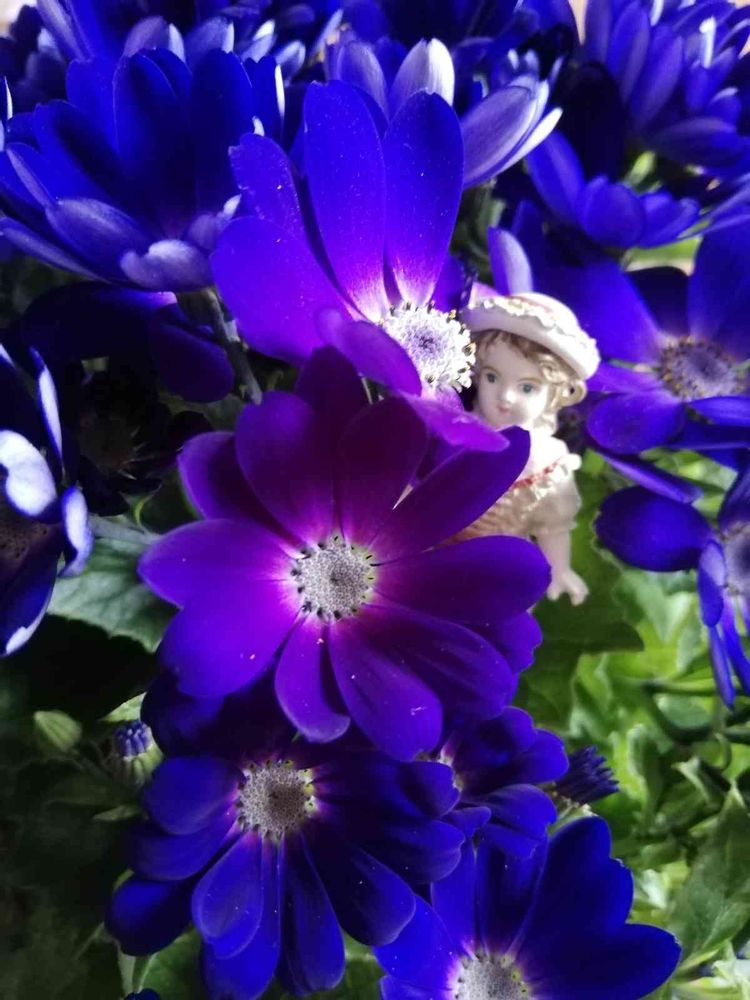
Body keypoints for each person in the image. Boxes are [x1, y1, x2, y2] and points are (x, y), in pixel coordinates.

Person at [458, 291, 600, 605]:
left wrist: (560, 570)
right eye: (492, 377)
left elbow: (552, 527)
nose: (505, 397)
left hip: (495, 566)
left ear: (555, 396)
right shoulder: (454, 428)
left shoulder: (547, 463)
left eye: (527, 387)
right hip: (422, 542)